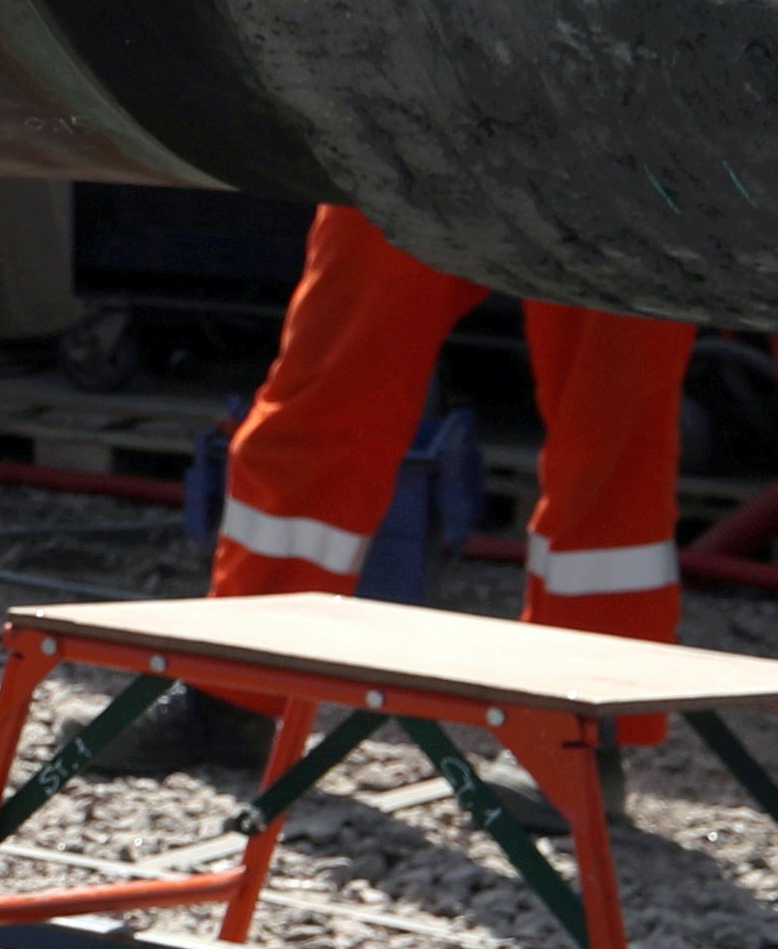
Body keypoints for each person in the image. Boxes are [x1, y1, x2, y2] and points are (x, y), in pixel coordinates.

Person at [204, 204, 696, 644]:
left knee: (613, 442)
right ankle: (240, 681)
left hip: (620, 158)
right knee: (328, 393)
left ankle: (593, 702)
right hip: (411, 142)